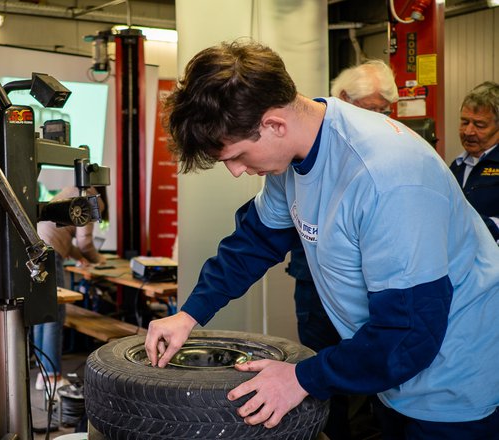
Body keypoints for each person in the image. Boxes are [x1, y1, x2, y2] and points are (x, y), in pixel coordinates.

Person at [144, 40, 499, 439]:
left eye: (238, 156)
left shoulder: (389, 179)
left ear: (274, 124)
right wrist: (189, 314)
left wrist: (301, 379)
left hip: (453, 385)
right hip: (393, 375)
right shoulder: (298, 153)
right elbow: (256, 239)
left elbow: (409, 335)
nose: (236, 172)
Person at [286, 59, 397, 440]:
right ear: (344, 99)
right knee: (321, 368)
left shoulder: (385, 159)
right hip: (315, 286)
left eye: (384, 112)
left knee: (374, 368)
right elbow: (264, 231)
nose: (378, 119)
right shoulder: (304, 153)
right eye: (371, 110)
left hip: (368, 289)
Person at [33, 186, 108, 395]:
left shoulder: (69, 189)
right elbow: (85, 241)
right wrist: (99, 259)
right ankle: (53, 376)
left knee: (42, 311)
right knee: (55, 313)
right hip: (50, 252)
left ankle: (43, 374)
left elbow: (62, 234)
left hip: (36, 246)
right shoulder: (90, 195)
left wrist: (77, 257)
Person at [449, 81, 499, 243]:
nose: (468, 132)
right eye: (464, 122)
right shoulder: (456, 166)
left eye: (479, 125)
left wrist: (480, 225)